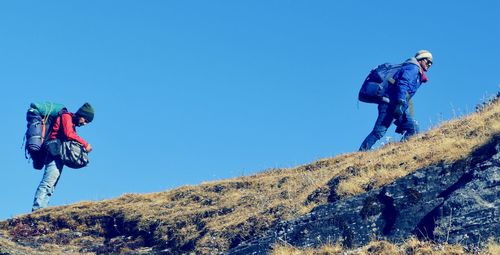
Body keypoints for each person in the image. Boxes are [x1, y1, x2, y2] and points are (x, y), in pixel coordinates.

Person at [359, 50, 433, 151]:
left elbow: (406, 94)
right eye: (427, 61)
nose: (429, 64)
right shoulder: (413, 68)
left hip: (396, 104)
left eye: (431, 63)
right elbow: (402, 84)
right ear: (420, 59)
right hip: (390, 104)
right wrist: (400, 103)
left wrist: (402, 110)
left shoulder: (416, 72)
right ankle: (362, 152)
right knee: (378, 132)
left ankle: (400, 151)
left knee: (413, 128)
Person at [32, 102, 95, 211]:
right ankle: (37, 209)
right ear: (81, 115)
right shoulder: (66, 117)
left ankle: (42, 209)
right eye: (85, 120)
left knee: (51, 184)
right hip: (53, 153)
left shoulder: (71, 123)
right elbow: (69, 134)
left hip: (58, 155)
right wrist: (85, 144)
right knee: (48, 182)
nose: (85, 124)